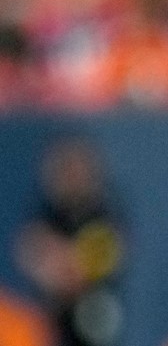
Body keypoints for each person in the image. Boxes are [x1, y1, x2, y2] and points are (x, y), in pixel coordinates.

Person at [14, 136, 126, 346]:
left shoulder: (104, 213)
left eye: (74, 169)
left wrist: (63, 263)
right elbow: (29, 249)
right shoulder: (46, 213)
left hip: (93, 316)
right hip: (51, 318)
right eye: (62, 169)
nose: (69, 176)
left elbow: (84, 272)